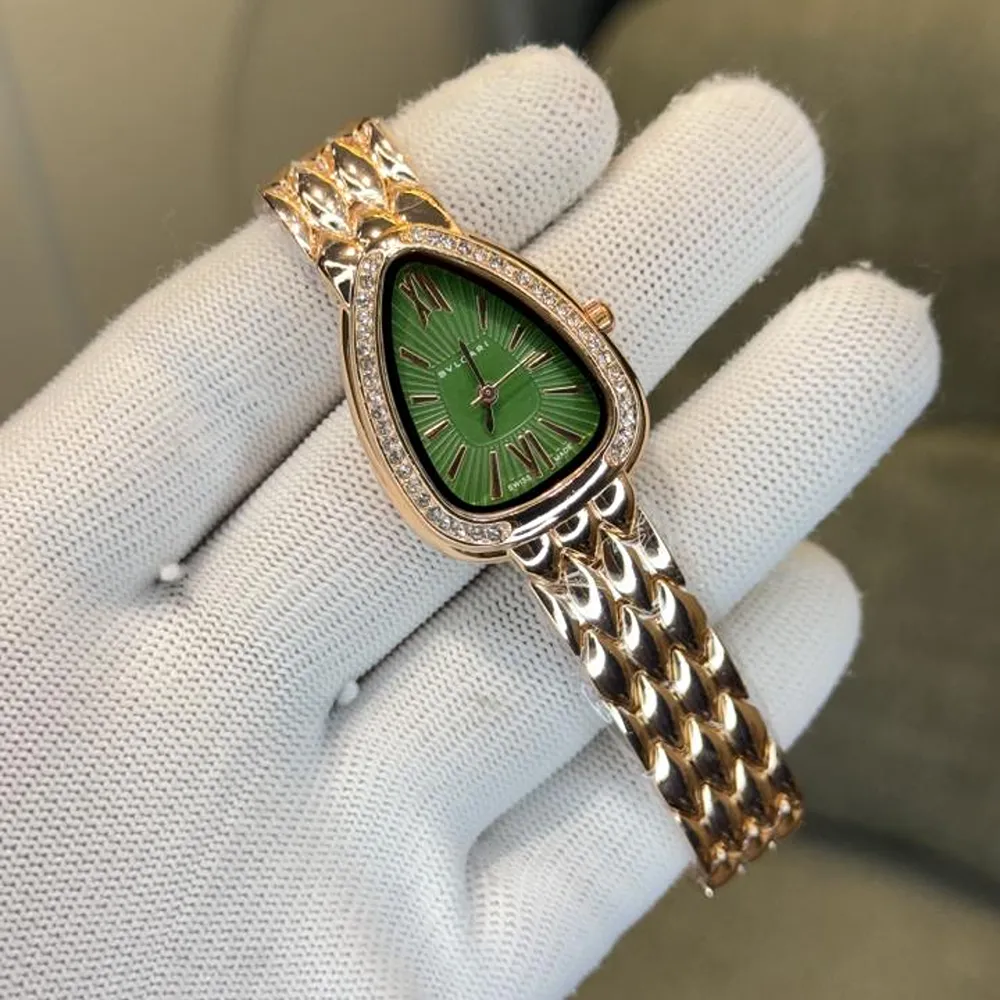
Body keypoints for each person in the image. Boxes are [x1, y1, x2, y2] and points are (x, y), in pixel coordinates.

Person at [0, 46, 938, 998]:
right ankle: (737, 805)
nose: (485, 387)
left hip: (552, 466)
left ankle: (738, 800)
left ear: (585, 328)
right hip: (520, 478)